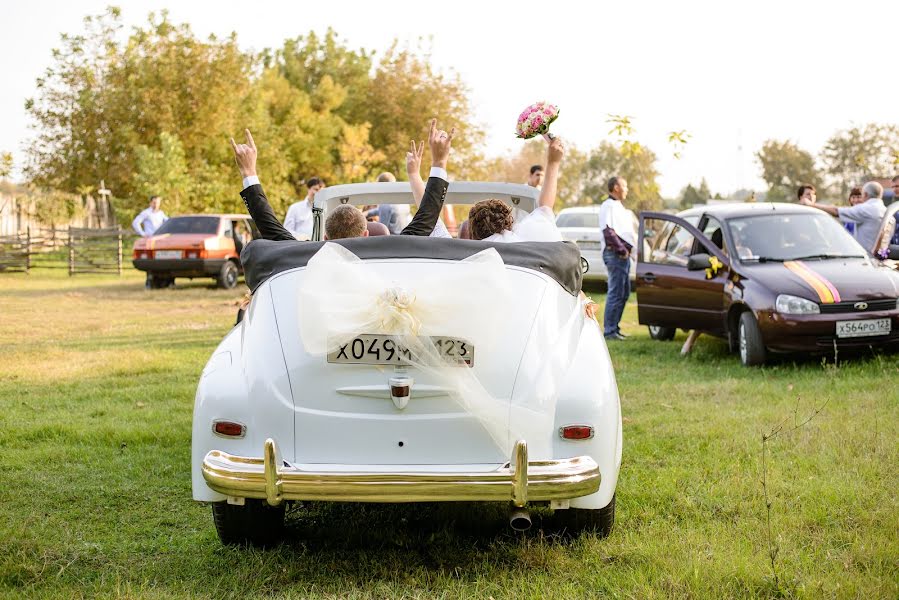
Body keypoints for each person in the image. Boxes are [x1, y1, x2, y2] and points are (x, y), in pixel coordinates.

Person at [230, 119, 454, 241]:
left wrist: (249, 171)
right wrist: (439, 161)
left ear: (326, 237)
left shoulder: (309, 258)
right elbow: (427, 216)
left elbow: (269, 226)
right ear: (366, 234)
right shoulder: (396, 252)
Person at [463, 137, 565, 242]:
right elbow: (545, 207)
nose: (539, 178)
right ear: (509, 224)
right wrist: (553, 162)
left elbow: (545, 207)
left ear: (472, 234)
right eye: (537, 175)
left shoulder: (475, 252)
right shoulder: (530, 235)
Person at [801, 181, 886, 253]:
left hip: (865, 258)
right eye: (853, 197)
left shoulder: (866, 209)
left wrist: (811, 204)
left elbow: (836, 211)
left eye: (860, 196)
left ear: (866, 194)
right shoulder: (885, 210)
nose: (857, 200)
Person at [599, 177, 636, 341]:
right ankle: (609, 331)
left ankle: (615, 328)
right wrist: (622, 250)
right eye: (625, 185)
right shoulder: (608, 206)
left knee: (624, 292)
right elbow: (608, 231)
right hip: (615, 254)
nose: (627, 189)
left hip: (623, 255)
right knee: (615, 292)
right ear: (616, 187)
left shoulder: (620, 207)